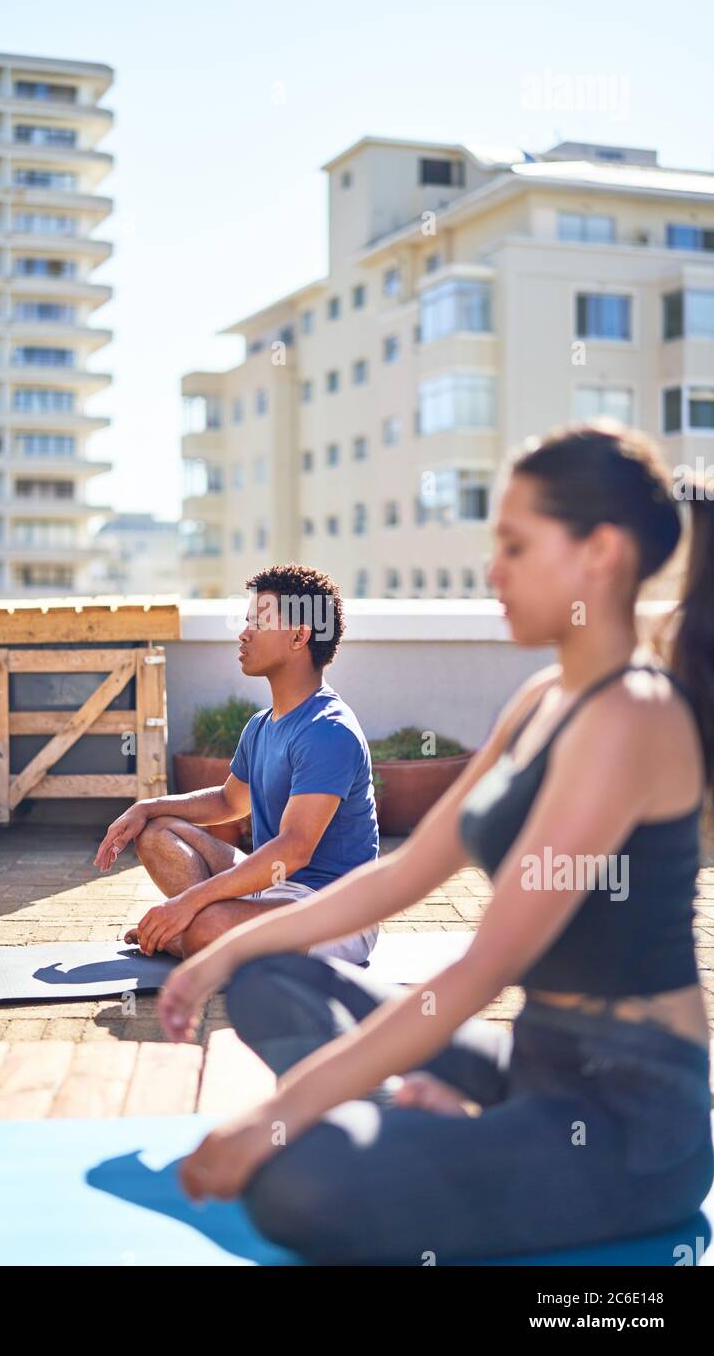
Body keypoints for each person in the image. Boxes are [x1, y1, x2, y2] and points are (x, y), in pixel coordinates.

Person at [157, 423, 714, 1265]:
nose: (492, 571)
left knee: (292, 1182)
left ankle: (425, 1127)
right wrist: (214, 954)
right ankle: (441, 1120)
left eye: (515, 546)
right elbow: (406, 873)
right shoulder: (541, 698)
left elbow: (479, 971)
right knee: (268, 973)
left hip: (626, 1117)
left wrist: (275, 1117)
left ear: (598, 553)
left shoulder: (628, 718)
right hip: (534, 1059)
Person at [94, 564, 380, 964]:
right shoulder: (262, 725)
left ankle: (193, 935)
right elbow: (229, 803)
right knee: (157, 832)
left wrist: (189, 902)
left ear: (299, 636)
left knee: (208, 925)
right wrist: (148, 807)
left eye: (260, 622)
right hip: (269, 890)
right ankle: (196, 934)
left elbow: (294, 849)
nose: (244, 633)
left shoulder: (328, 731)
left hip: (330, 914)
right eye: (247, 621)